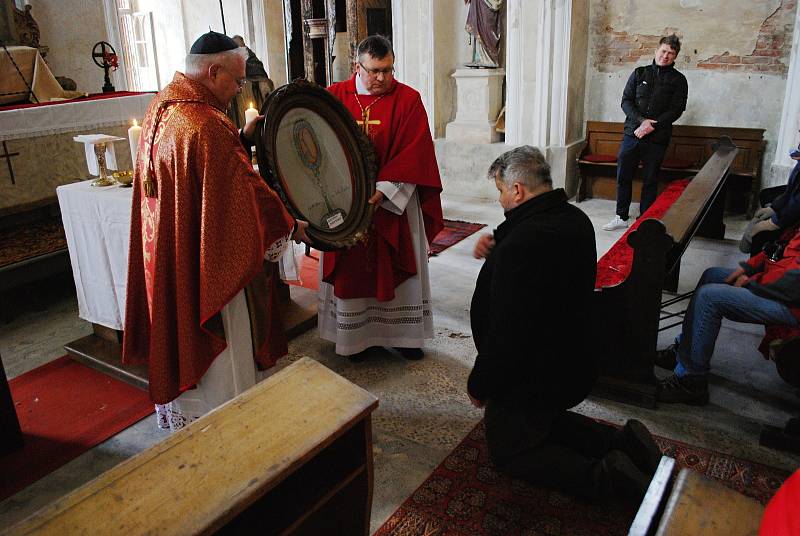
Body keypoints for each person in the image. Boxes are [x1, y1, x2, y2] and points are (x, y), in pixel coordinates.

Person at [123, 31, 308, 431]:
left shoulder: (162, 107)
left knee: (181, 321)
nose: (239, 89)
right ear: (212, 70)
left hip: (176, 256)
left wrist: (241, 138)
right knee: (227, 354)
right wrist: (291, 224)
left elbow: (203, 178)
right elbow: (245, 192)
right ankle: (230, 422)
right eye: (237, 80)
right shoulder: (205, 123)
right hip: (209, 266)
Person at [469, 146, 662, 501]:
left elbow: (507, 331)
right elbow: (532, 236)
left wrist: (480, 382)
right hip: (572, 358)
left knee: (511, 449)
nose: (499, 200)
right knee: (540, 424)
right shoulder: (573, 219)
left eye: (500, 191)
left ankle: (604, 477)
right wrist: (498, 239)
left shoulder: (522, 245)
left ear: (517, 190)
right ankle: (620, 442)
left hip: (529, 371)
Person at [320, 35, 444, 361]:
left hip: (393, 202)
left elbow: (415, 152)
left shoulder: (408, 100)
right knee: (352, 268)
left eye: (388, 70)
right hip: (347, 205)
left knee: (401, 267)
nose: (382, 78)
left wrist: (383, 190)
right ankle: (357, 339)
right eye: (374, 71)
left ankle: (405, 336)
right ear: (356, 67)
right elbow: (319, 148)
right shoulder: (334, 97)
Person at [656, 225, 800, 405]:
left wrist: (753, 282)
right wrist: (748, 267)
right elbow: (781, 248)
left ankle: (691, 381)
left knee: (709, 297)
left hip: (791, 304)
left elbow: (794, 284)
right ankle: (683, 351)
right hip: (779, 285)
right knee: (712, 275)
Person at [604, 34, 688, 231]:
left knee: (650, 179)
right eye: (663, 51)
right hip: (632, 134)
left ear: (675, 57)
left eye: (671, 53)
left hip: (657, 138)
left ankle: (644, 219)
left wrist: (653, 125)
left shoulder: (679, 80)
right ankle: (621, 216)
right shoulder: (639, 73)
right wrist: (642, 122)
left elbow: (677, 109)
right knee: (623, 175)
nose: (666, 56)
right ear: (656, 50)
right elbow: (626, 101)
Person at [740, 148, 800, 255]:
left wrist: (773, 222)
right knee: (766, 195)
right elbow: (791, 189)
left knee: (761, 234)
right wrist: (773, 208)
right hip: (793, 200)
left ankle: (755, 269)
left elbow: (797, 202)